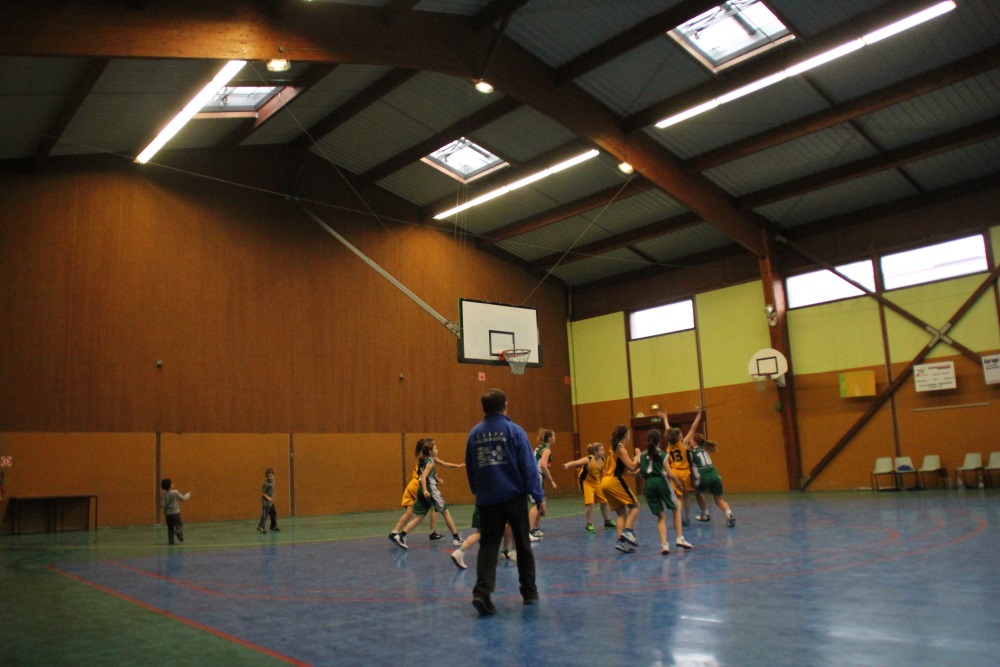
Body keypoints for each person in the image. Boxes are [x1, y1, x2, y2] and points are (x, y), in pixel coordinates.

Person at [465, 388, 544, 615]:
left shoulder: (474, 434)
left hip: (488, 500)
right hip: (514, 498)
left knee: (488, 546)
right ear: (505, 406)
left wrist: (478, 491)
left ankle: (482, 593)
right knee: (522, 543)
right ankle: (529, 592)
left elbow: (471, 466)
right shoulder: (514, 431)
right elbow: (528, 466)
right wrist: (538, 496)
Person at [392, 438, 463, 549]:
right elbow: (423, 477)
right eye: (435, 448)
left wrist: (458, 466)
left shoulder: (426, 459)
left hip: (421, 490)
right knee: (445, 512)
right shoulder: (430, 463)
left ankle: (401, 536)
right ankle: (456, 538)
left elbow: (444, 464)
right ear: (430, 451)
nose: (437, 450)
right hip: (430, 491)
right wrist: (425, 490)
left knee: (420, 516)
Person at [638, 429, 693, 554]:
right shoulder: (662, 454)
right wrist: (678, 483)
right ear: (660, 441)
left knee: (660, 516)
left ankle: (664, 545)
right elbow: (670, 473)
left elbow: (636, 470)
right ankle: (679, 538)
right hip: (661, 482)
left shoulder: (642, 455)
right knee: (675, 508)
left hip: (648, 484)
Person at [599, 424, 641, 553]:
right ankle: (628, 532)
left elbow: (627, 470)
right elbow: (632, 466)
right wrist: (639, 457)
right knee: (635, 506)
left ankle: (621, 542)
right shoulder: (621, 448)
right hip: (614, 481)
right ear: (626, 435)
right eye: (629, 434)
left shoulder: (613, 448)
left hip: (605, 482)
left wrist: (637, 472)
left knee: (621, 513)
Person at [658, 409, 701, 527]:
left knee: (678, 497)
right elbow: (693, 428)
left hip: (673, 473)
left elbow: (668, 430)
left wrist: (665, 419)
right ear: (678, 436)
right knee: (685, 497)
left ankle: (678, 517)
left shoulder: (669, 446)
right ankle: (686, 518)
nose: (682, 434)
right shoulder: (683, 443)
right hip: (684, 473)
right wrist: (699, 415)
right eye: (680, 434)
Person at [562, 442, 612, 533]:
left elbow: (602, 470)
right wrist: (567, 465)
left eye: (603, 450)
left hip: (595, 481)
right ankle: (589, 524)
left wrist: (605, 477)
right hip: (585, 482)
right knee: (589, 502)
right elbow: (575, 462)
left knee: (604, 501)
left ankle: (607, 521)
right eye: (601, 450)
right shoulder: (588, 459)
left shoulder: (602, 459)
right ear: (596, 452)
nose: (604, 451)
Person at [689, 433, 736, 527]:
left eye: (690, 439)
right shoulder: (705, 450)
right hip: (715, 475)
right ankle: (729, 514)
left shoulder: (691, 452)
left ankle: (705, 514)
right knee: (718, 499)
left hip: (703, 476)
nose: (689, 441)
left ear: (694, 442)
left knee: (697, 493)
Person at [450, 506, 516, 569]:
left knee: (482, 533)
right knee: (481, 534)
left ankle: (498, 551)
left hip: (480, 509)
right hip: (487, 511)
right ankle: (460, 551)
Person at [529, 428, 557, 541]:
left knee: (540, 504)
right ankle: (529, 531)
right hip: (537, 477)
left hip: (535, 476)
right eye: (553, 436)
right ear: (549, 438)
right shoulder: (546, 450)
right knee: (537, 504)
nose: (555, 438)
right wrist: (551, 480)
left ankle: (536, 528)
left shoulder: (539, 448)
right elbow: (543, 465)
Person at [160, 478, 191, 545]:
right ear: (170, 485)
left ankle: (171, 542)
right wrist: (188, 495)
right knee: (179, 525)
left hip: (167, 515)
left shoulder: (163, 495)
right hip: (175, 513)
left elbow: (162, 505)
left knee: (170, 528)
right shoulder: (175, 492)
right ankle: (178, 532)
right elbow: (183, 498)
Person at [256, 468, 280, 534]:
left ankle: (273, 526)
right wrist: (268, 497)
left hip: (270, 502)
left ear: (273, 475)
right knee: (265, 514)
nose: (269, 477)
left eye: (270, 476)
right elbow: (262, 492)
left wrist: (272, 495)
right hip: (266, 502)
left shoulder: (273, 482)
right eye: (267, 476)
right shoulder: (266, 483)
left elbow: (271, 490)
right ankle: (261, 527)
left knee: (273, 513)